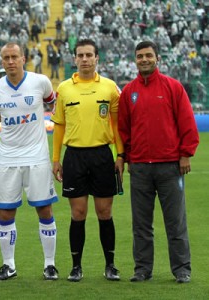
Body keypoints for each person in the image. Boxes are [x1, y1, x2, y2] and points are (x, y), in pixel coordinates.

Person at [118, 41, 199, 284]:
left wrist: (185, 154)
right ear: (135, 60)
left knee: (175, 222)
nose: (144, 59)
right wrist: (128, 157)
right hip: (140, 167)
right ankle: (142, 269)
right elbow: (124, 130)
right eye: (140, 56)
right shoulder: (128, 91)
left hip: (170, 166)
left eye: (148, 55)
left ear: (157, 59)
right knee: (141, 224)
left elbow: (186, 122)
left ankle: (182, 269)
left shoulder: (173, 87)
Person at [51, 39, 124, 282]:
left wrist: (120, 155)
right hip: (74, 156)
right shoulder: (64, 88)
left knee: (104, 212)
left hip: (103, 155)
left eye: (89, 55)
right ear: (74, 59)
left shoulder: (110, 87)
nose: (84, 59)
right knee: (78, 213)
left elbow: (116, 124)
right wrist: (56, 159)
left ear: (96, 59)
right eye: (80, 55)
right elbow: (59, 125)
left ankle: (110, 265)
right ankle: (76, 266)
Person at [0, 41, 59, 281]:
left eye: (14, 57)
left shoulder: (40, 81)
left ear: (23, 58)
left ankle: (49, 265)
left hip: (37, 156)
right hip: (8, 157)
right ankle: (9, 265)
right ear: (2, 60)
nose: (10, 61)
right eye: (5, 57)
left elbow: (53, 103)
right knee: (6, 213)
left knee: (44, 209)